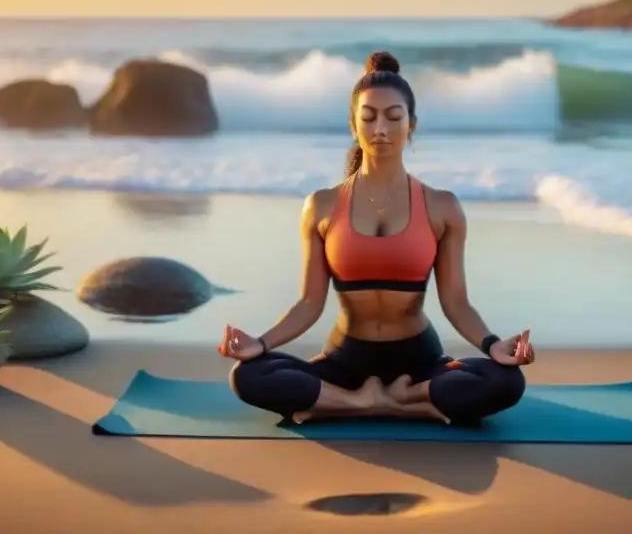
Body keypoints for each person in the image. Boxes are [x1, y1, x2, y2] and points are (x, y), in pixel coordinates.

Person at [220, 50, 535, 425]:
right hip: (345, 359)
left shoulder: (441, 207)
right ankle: (379, 403)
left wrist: (491, 344)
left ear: (412, 124)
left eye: (393, 117)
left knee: (506, 381)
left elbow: (456, 302)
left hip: (419, 362)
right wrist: (261, 343)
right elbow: (309, 302)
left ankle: (383, 398)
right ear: (353, 125)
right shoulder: (321, 206)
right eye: (368, 118)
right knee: (248, 376)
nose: (380, 129)